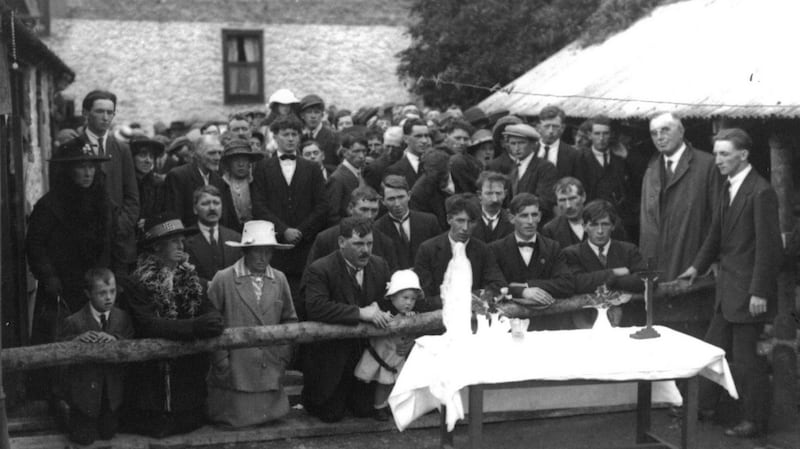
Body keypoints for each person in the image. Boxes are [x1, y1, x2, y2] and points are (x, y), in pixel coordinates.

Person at [678, 128, 781, 439]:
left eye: (724, 154)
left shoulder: (760, 192)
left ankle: (755, 421)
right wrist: (696, 266)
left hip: (749, 293)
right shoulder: (728, 186)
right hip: (728, 291)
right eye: (717, 153)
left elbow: (769, 247)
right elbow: (716, 235)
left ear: (743, 155)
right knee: (711, 349)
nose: (718, 160)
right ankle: (703, 406)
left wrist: (759, 291)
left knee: (749, 362)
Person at [118, 213, 224, 437]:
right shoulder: (137, 282)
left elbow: (207, 308)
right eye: (174, 240)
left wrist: (213, 318)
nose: (181, 245)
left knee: (188, 420)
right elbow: (148, 324)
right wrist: (196, 326)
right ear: (157, 247)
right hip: (151, 371)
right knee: (155, 419)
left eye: (182, 240)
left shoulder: (191, 278)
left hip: (187, 369)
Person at [26, 139, 113, 404]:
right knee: (60, 339)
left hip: (93, 286)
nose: (88, 173)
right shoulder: (50, 205)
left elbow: (107, 241)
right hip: (61, 287)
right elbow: (35, 245)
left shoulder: (101, 201)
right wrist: (49, 277)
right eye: (81, 167)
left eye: (91, 167)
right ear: (68, 171)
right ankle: (55, 398)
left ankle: (95, 400)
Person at [206, 221, 298, 428]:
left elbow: (290, 320)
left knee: (271, 422)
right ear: (245, 251)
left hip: (270, 367)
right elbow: (210, 323)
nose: (263, 258)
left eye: (268, 252)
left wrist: (283, 356)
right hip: (236, 369)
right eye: (257, 252)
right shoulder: (224, 279)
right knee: (237, 419)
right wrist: (221, 361)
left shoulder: (279, 279)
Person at [300, 217, 393, 423]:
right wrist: (360, 313)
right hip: (332, 358)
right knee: (330, 415)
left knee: (364, 411)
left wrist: (382, 309)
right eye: (358, 244)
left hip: (368, 357)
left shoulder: (380, 266)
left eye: (369, 243)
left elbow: (390, 304)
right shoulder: (320, 269)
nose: (365, 250)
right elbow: (315, 307)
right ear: (341, 242)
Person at [640, 112, 722, 337]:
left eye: (665, 130)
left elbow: (719, 222)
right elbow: (646, 226)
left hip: (693, 272)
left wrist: (705, 263)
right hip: (657, 278)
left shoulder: (707, 165)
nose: (659, 137)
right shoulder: (652, 169)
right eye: (654, 133)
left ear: (682, 131)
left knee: (694, 341)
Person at [55, 90, 139, 275]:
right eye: (100, 111)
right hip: (84, 244)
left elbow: (132, 197)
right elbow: (61, 196)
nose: (106, 117)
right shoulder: (70, 149)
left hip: (118, 244)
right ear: (86, 113)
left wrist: (118, 228)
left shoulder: (122, 149)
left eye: (110, 112)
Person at [251, 115, 328, 297]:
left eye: (295, 134)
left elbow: (322, 206)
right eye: (286, 134)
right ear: (275, 136)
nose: (291, 138)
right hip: (275, 246)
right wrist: (283, 230)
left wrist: (300, 231)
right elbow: (259, 206)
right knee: (275, 295)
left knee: (306, 294)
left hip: (306, 246)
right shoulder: (262, 168)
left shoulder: (312, 168)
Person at [58, 268, 134, 445]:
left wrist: (115, 339)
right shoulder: (74, 322)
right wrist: (76, 341)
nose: (109, 297)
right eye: (102, 293)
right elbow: (60, 353)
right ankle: (68, 413)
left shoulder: (122, 318)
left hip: (111, 395)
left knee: (108, 433)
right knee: (83, 439)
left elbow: (131, 341)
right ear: (88, 293)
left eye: (112, 291)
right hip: (84, 397)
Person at [489, 193, 573, 329]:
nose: (530, 221)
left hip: (548, 324)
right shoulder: (495, 249)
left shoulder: (552, 247)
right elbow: (492, 285)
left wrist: (529, 286)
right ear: (511, 218)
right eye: (524, 215)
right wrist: (521, 291)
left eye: (534, 215)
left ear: (540, 216)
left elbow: (566, 284)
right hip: (507, 326)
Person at [562, 200, 646, 328]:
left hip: (626, 323)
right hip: (586, 323)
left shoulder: (628, 250)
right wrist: (613, 273)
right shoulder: (571, 253)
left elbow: (646, 279)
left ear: (613, 226)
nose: (600, 231)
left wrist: (608, 281)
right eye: (594, 225)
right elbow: (576, 283)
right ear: (584, 226)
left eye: (605, 224)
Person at [414, 193, 506, 310]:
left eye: (471, 222)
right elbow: (423, 295)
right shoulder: (428, 249)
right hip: (439, 317)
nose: (465, 228)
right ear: (449, 219)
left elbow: (498, 284)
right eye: (460, 221)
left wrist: (477, 297)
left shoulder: (483, 250)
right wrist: (457, 300)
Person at [354, 269, 420, 421]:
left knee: (393, 384)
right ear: (392, 296)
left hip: (395, 356)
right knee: (381, 384)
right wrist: (378, 315)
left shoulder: (412, 315)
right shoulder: (382, 309)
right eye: (405, 298)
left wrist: (411, 321)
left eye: (413, 299)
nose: (409, 302)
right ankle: (379, 407)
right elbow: (372, 310)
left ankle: (388, 405)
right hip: (381, 354)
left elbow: (413, 331)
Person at [306, 186, 399, 277]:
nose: (370, 215)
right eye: (364, 209)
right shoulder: (325, 239)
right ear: (351, 208)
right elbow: (310, 277)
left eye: (374, 210)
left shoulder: (385, 242)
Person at [575, 116, 635, 237]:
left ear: (611, 135)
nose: (601, 138)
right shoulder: (579, 159)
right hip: (592, 220)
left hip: (617, 222)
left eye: (605, 134)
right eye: (597, 134)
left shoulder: (620, 159)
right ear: (590, 135)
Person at [164, 134, 237, 229]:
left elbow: (225, 218)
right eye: (212, 153)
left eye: (219, 153)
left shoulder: (219, 181)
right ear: (197, 155)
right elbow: (174, 216)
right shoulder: (178, 176)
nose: (217, 158)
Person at [374, 175, 441, 269]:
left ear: (409, 195)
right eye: (391, 199)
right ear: (383, 201)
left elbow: (438, 256)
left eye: (401, 197)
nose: (397, 204)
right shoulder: (377, 229)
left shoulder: (429, 221)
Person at [542, 177, 628, 248]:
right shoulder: (550, 230)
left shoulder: (607, 222)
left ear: (583, 197)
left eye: (572, 198)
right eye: (562, 200)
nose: (568, 205)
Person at [184, 185, 242, 285]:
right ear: (195, 209)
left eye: (216, 203)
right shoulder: (185, 239)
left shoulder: (235, 238)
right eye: (205, 204)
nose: (212, 208)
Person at [504, 124, 558, 222]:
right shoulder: (513, 167)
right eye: (513, 143)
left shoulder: (545, 167)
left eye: (521, 143)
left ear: (533, 144)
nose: (516, 148)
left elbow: (546, 201)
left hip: (538, 223)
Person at [221, 137, 264, 230]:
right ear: (228, 163)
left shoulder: (258, 183)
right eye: (236, 160)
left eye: (244, 160)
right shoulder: (220, 184)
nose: (241, 164)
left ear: (250, 163)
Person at [326, 133, 368, 224]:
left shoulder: (364, 171)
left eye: (364, 151)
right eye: (356, 151)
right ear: (345, 152)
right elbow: (333, 215)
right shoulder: (337, 178)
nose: (361, 156)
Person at [409, 149, 455, 229]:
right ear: (427, 170)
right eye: (440, 174)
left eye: (443, 174)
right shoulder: (419, 192)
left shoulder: (457, 174)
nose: (442, 179)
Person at [129, 135, 166, 232]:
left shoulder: (157, 184)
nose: (148, 160)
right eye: (142, 155)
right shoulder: (123, 182)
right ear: (132, 157)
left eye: (151, 156)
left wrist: (150, 221)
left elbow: (161, 213)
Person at [536, 105, 580, 180]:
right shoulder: (530, 150)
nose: (551, 131)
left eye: (555, 126)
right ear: (539, 127)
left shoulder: (573, 155)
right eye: (546, 126)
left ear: (562, 128)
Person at [386, 118, 430, 189]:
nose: (424, 141)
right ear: (406, 139)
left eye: (426, 136)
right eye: (418, 136)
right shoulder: (394, 170)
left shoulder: (435, 165)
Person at [471, 171, 514, 243]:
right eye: (489, 193)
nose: (495, 199)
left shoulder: (513, 222)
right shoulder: (469, 220)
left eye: (498, 193)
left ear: (505, 194)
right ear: (479, 195)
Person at [299, 94, 340, 166]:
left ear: (322, 115)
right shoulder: (298, 138)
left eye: (316, 112)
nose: (313, 116)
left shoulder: (333, 137)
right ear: (302, 115)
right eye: (309, 112)